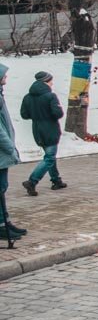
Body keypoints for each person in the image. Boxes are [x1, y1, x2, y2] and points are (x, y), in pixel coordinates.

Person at [20, 71, 66, 196]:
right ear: (45, 82)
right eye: (51, 81)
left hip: (37, 130)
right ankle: (32, 181)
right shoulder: (50, 96)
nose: (52, 83)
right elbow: (58, 114)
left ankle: (56, 180)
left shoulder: (27, 97)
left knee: (50, 156)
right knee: (49, 158)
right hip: (50, 129)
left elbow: (24, 115)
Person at [0, 64, 27, 240]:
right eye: (4, 76)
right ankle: (2, 225)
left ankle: (5, 222)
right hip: (2, 150)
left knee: (2, 187)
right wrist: (9, 147)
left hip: (3, 151)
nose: (6, 78)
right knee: (0, 187)